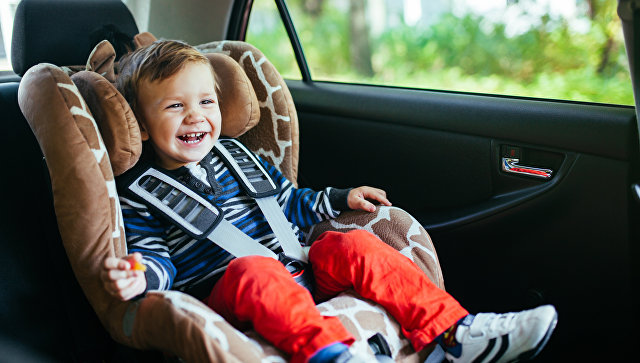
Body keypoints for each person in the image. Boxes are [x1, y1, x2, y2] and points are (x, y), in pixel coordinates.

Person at [100, 40, 557, 363]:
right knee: (253, 270)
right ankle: (328, 353)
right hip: (230, 294)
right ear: (140, 126)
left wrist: (340, 197)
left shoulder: (237, 155)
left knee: (346, 245)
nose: (197, 116)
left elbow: (288, 203)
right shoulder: (142, 194)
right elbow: (158, 261)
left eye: (206, 101)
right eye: (175, 107)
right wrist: (137, 274)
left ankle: (453, 332)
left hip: (297, 271)